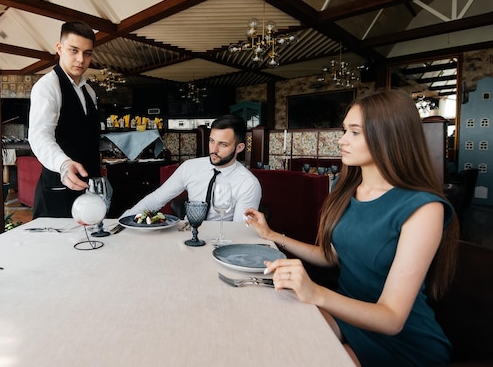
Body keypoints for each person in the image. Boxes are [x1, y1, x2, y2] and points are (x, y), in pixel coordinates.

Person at [244, 90, 458, 366]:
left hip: (402, 341)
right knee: (274, 336)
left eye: (355, 132)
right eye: (345, 130)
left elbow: (392, 318)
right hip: (346, 312)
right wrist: (271, 235)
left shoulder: (424, 208)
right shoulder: (348, 190)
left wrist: (315, 292)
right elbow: (330, 256)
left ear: (389, 136)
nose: (342, 140)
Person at [121, 114, 261, 222]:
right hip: (186, 236)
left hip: (220, 240)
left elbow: (239, 230)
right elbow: (157, 198)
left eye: (223, 144)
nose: (214, 150)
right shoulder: (190, 167)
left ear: (239, 147)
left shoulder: (248, 184)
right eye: (212, 141)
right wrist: (124, 220)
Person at [28, 21, 101, 218]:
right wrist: (63, 164)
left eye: (87, 53)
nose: (81, 59)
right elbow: (39, 135)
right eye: (74, 50)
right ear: (59, 48)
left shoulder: (90, 92)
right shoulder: (48, 87)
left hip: (89, 193)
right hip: (58, 194)